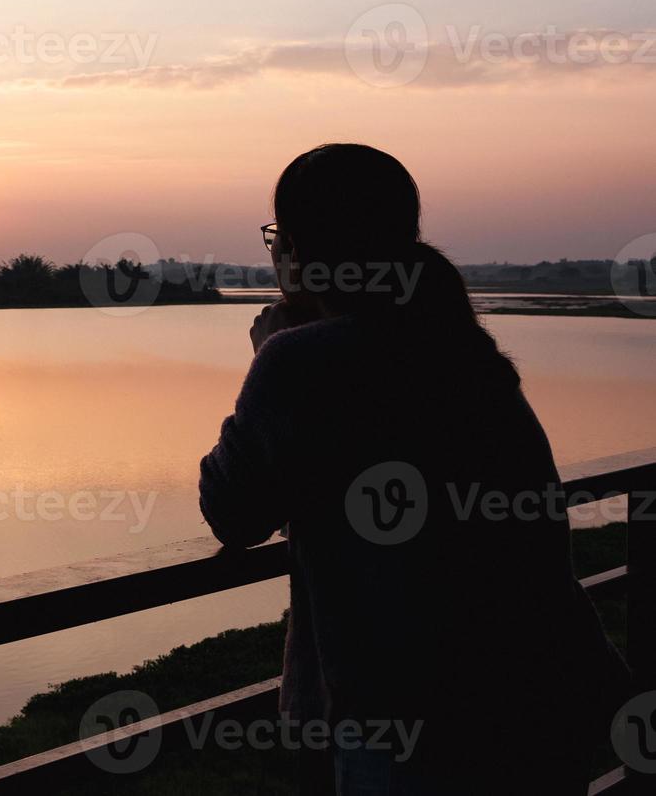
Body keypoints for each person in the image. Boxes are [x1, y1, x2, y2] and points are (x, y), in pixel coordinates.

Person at [198, 144, 628, 795]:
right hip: (542, 689)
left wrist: (270, 352)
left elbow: (233, 514)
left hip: (413, 718)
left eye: (276, 236)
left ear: (296, 249)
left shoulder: (301, 362)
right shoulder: (457, 346)